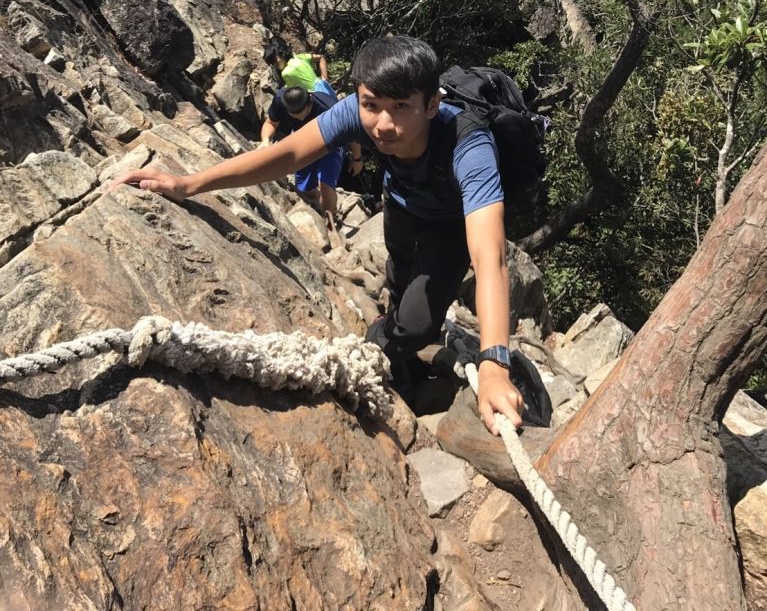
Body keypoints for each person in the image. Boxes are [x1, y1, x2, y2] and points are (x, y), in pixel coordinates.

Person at [109, 36, 524, 434]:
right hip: (401, 201)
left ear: (432, 104)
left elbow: (491, 259)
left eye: (401, 107)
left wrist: (494, 365)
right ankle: (398, 343)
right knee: (398, 275)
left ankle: (393, 343)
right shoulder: (357, 111)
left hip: (450, 222)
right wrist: (187, 184)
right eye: (372, 105)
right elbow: (285, 155)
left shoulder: (469, 147)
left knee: (418, 325)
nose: (383, 124)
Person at [260, 85, 362, 225]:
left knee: (326, 183)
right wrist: (266, 141)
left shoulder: (327, 106)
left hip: (332, 142)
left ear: (310, 102)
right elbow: (271, 122)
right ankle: (317, 205)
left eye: (304, 114)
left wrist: (357, 158)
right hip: (303, 139)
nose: (301, 118)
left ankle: (329, 222)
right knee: (304, 188)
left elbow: (351, 136)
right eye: (295, 116)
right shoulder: (281, 100)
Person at [263, 37, 336, 100]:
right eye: (272, 63)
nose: (275, 65)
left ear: (282, 55)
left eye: (275, 61)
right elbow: (321, 57)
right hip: (326, 88)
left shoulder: (286, 72)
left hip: (317, 98)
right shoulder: (299, 57)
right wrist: (324, 79)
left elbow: (292, 93)